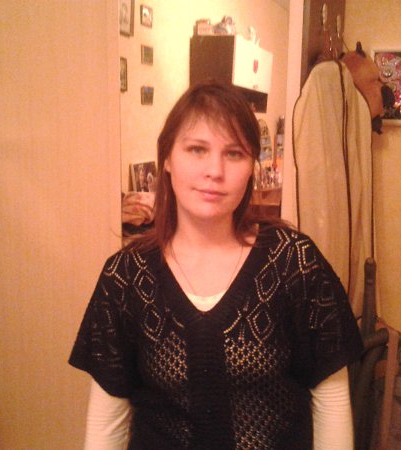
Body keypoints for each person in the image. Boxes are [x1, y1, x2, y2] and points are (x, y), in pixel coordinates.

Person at [69, 80, 363, 449]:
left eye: (234, 154)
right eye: (197, 149)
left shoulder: (295, 264)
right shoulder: (126, 277)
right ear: (167, 159)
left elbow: (331, 401)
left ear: (251, 166)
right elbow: (107, 423)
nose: (215, 170)